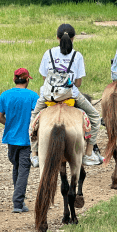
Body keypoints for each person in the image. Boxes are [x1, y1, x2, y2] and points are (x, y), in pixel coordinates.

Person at [29, 24, 103, 167]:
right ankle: (88, 153)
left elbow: (45, 77)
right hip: (70, 95)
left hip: (48, 95)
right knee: (94, 117)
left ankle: (34, 154)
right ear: (73, 38)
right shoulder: (77, 56)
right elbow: (79, 83)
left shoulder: (48, 53)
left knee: (33, 118)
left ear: (57, 37)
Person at [0, 68, 39, 213]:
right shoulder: (33, 96)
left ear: (14, 79)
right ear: (27, 80)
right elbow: (37, 118)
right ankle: (18, 203)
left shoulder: (5, 95)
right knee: (24, 170)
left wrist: (9, 124)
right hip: (26, 140)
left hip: (10, 138)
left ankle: (18, 200)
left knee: (16, 167)